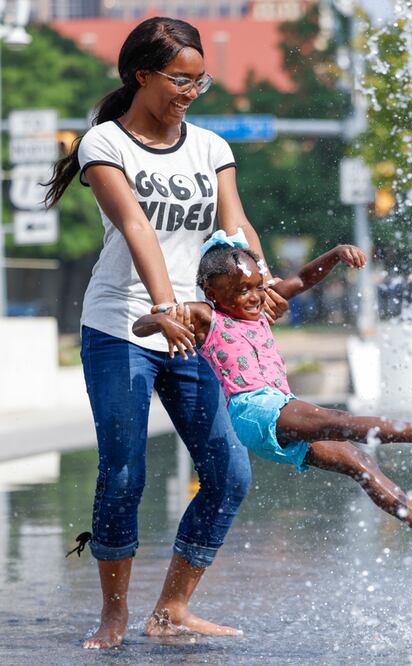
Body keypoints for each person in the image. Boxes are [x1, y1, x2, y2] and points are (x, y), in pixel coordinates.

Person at [45, 17, 287, 648]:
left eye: (199, 80)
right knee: (124, 471)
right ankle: (115, 612)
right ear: (141, 75)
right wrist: (163, 305)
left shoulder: (210, 147)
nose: (190, 90)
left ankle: (172, 607)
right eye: (179, 79)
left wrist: (259, 284)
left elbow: (234, 229)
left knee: (228, 472)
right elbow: (136, 228)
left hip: (196, 328)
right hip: (121, 325)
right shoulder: (105, 145)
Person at [133, 235, 412, 548]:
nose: (254, 297)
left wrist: (337, 254)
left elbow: (304, 279)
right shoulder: (207, 317)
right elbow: (142, 324)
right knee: (335, 419)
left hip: (280, 406)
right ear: (211, 291)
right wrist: (163, 321)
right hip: (252, 408)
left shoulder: (263, 307)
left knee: (360, 462)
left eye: (256, 286)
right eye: (241, 291)